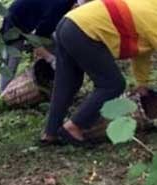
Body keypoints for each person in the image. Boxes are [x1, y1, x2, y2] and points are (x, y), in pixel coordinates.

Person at [42, 0, 157, 146]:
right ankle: (74, 127)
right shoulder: (153, 16)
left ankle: (50, 133)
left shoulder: (147, 6)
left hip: (69, 23)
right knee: (112, 84)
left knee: (68, 82)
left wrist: (142, 84)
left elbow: (142, 53)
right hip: (83, 30)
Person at [0, 0, 78, 92]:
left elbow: (44, 34)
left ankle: (60, 85)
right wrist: (51, 59)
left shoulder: (65, 6)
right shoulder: (59, 8)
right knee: (11, 63)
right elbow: (37, 41)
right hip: (15, 21)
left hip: (30, 19)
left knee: (56, 48)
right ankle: (3, 95)